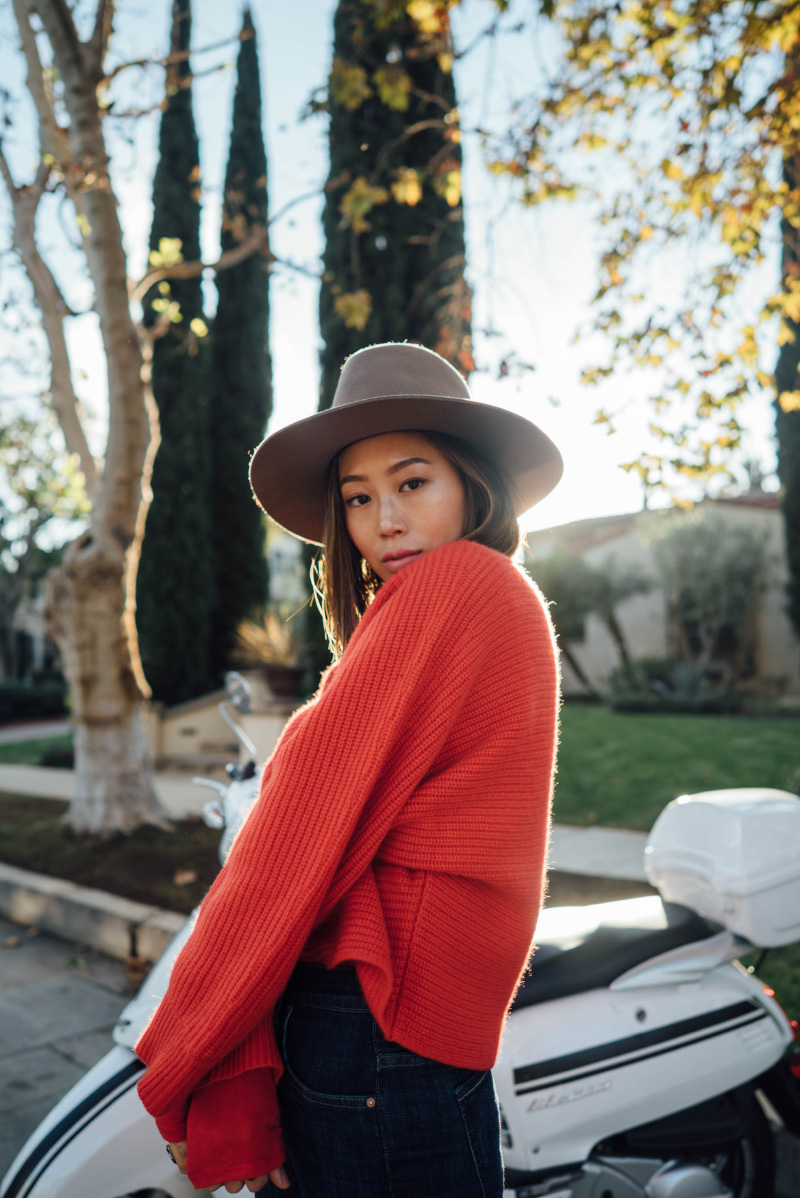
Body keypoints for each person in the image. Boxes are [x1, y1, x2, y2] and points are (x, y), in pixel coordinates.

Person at [135, 341, 563, 1197]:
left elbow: (295, 827)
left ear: (473, 483)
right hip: (410, 1020)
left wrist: (190, 1038)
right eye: (358, 498)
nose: (384, 521)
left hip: (378, 1020)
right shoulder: (495, 594)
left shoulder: (455, 587)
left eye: (412, 483)